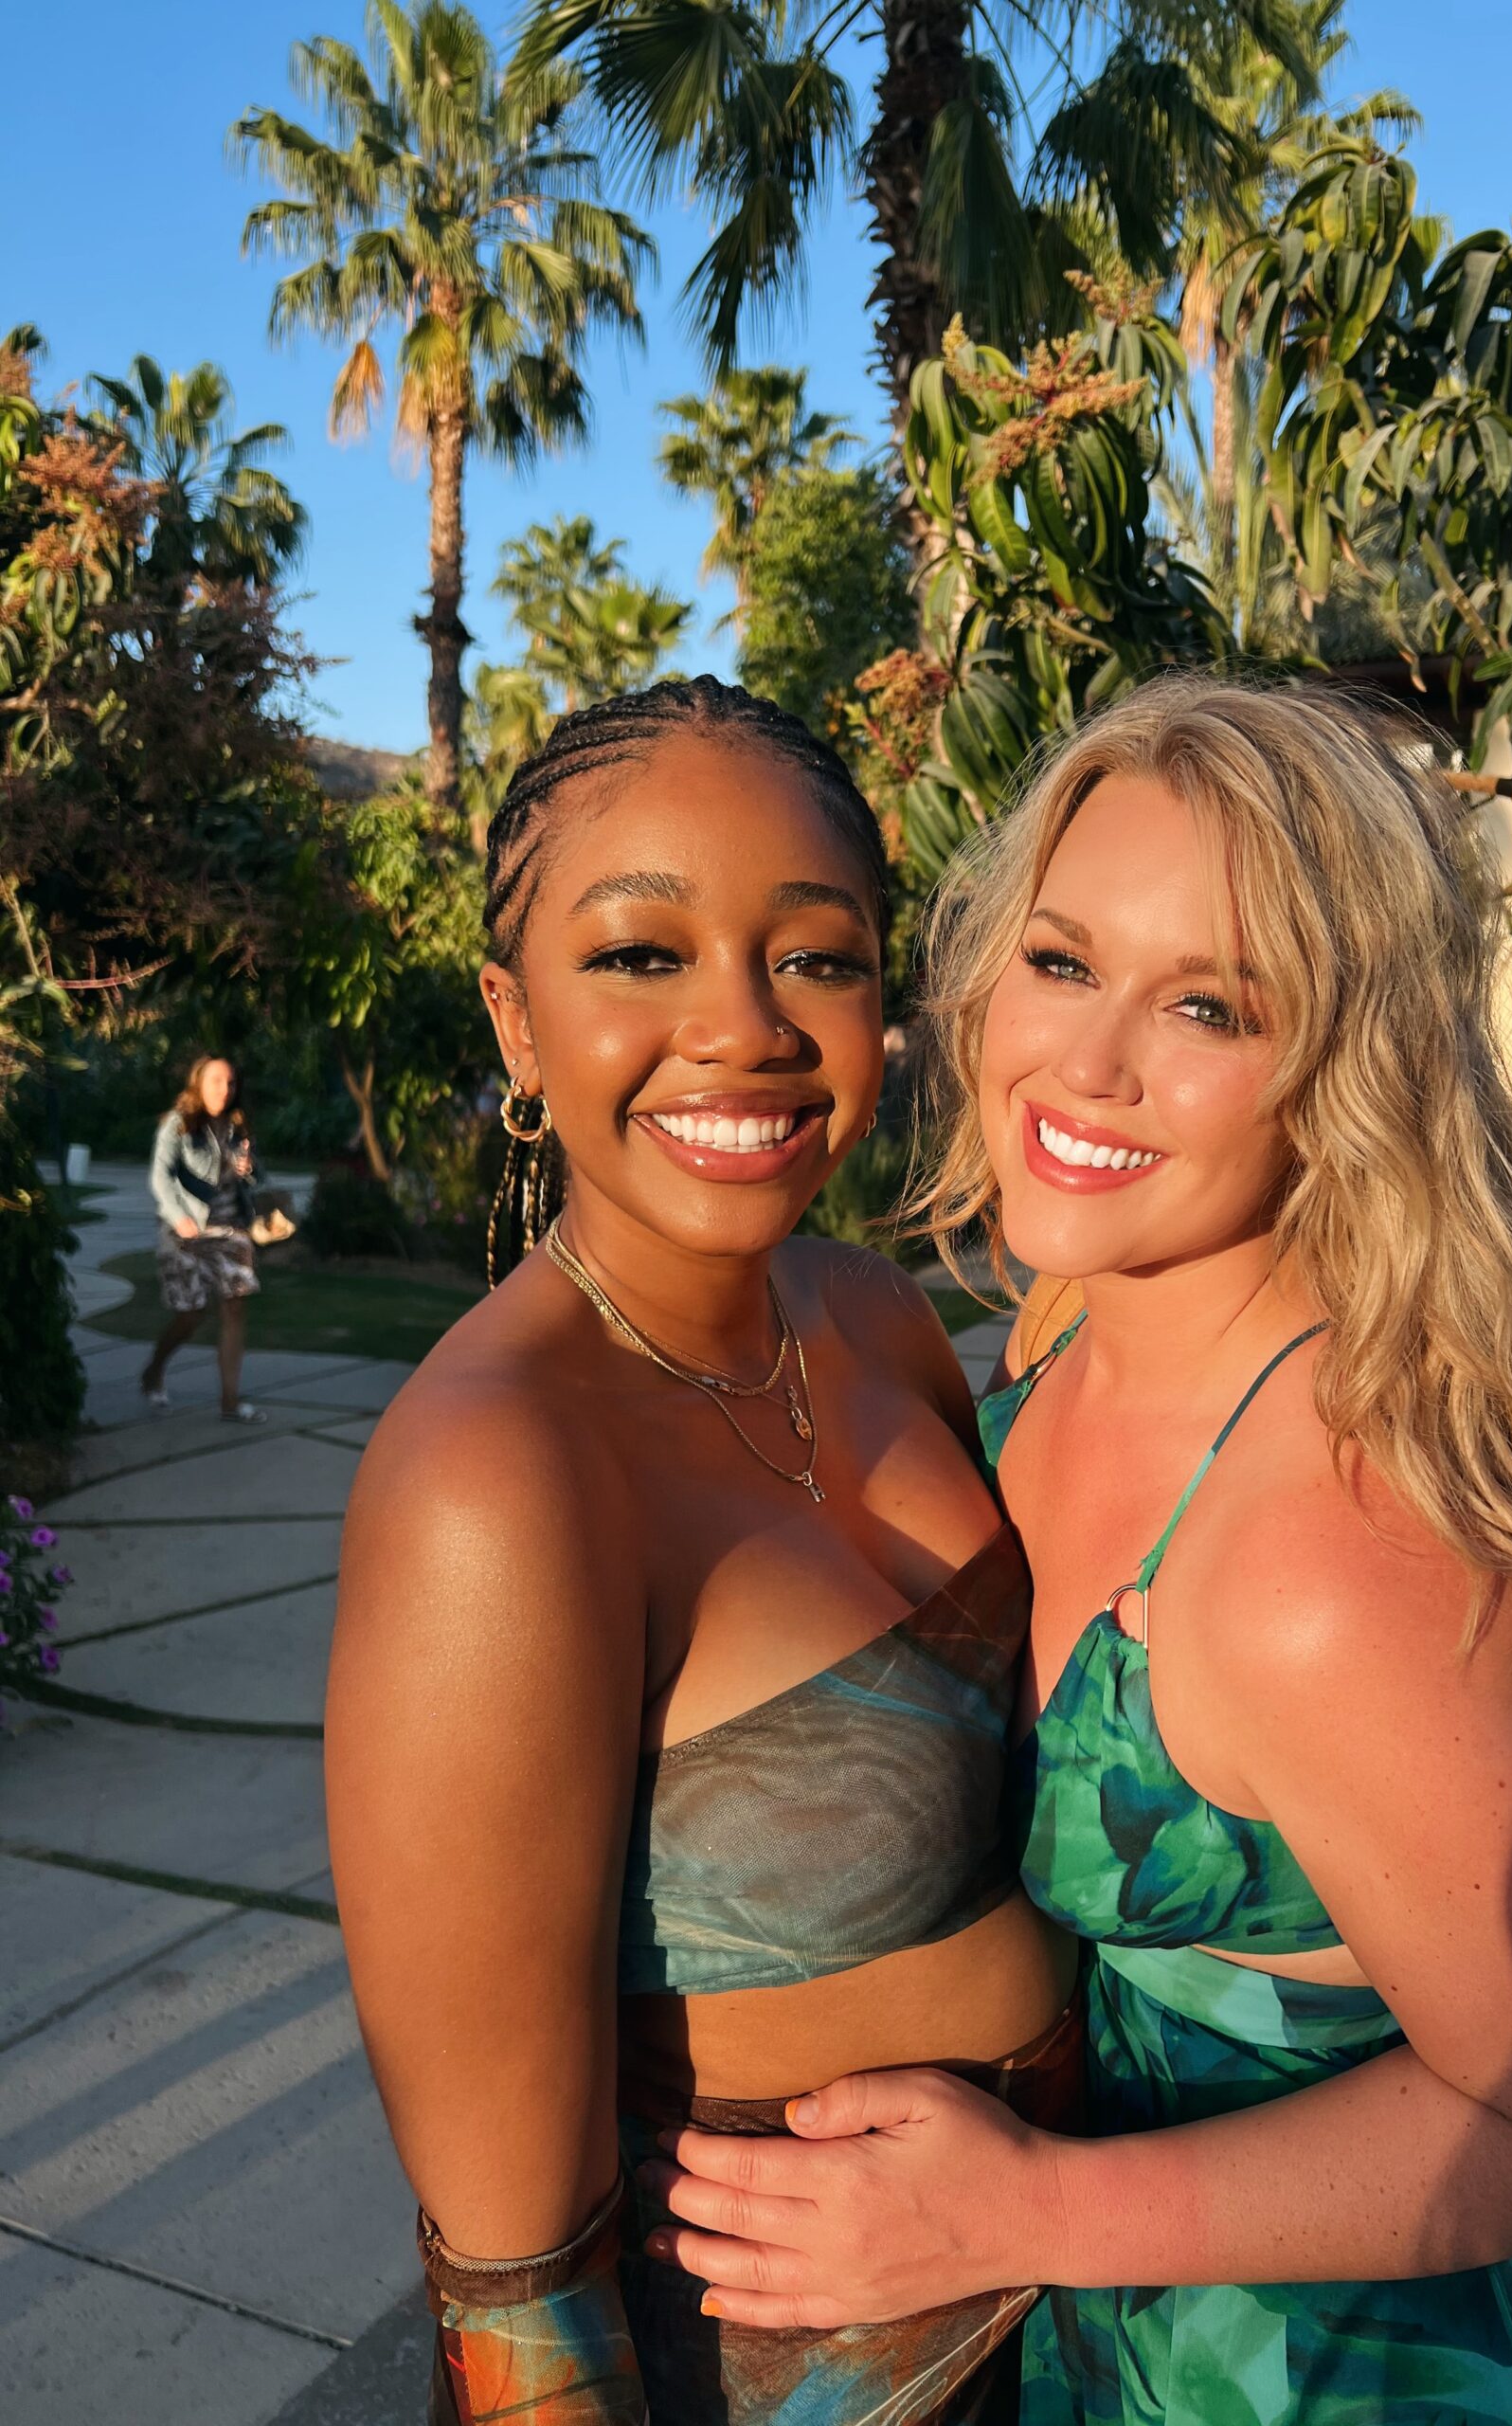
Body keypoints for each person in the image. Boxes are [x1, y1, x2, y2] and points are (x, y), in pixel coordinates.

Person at [648, 679, 1512, 2423]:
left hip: (1371, 2366)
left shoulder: (1312, 1561)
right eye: (1062, 964)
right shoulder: (1066, 1319)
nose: (1089, 1064)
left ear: (1344, 1065)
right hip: (1142, 2323)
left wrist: (1014, 2212)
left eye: (1206, 1003)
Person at [327, 676, 1079, 2426]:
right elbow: (514, 2295)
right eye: (641, 957)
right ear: (519, 1027)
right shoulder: (499, 1477)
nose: (744, 1027)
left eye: (816, 957)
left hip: (1083, 2319)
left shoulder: (873, 1320)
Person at [143, 1054, 265, 1422]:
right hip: (187, 1232)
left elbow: (258, 1177)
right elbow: (160, 1178)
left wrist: (249, 1169)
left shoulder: (238, 1127)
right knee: (191, 1314)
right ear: (198, 1083)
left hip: (230, 1231)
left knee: (234, 1308)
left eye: (230, 1082)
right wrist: (179, 1217)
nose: (224, 1090)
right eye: (215, 1081)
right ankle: (154, 1370)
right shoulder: (179, 1125)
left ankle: (230, 1403)